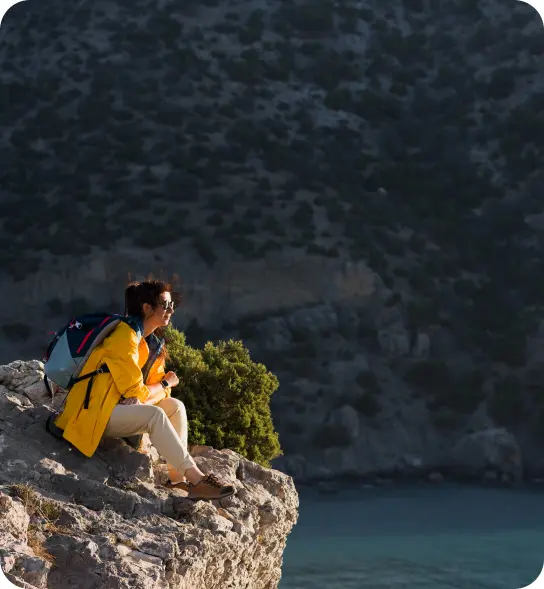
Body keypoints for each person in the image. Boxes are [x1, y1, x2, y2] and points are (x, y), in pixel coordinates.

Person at [53, 278, 235, 501]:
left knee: (175, 406)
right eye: (165, 305)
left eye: (172, 306)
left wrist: (148, 395)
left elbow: (155, 394)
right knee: (155, 415)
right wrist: (164, 385)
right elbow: (144, 389)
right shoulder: (123, 336)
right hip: (94, 412)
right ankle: (198, 479)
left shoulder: (150, 344)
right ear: (147, 308)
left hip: (116, 408)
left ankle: (178, 481)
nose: (170, 310)